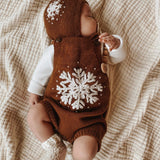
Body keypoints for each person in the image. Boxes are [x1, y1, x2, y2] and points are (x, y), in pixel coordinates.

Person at [27, 0, 126, 159]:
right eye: (88, 16)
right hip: (56, 109)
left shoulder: (99, 45)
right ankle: (55, 147)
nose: (95, 19)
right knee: (34, 115)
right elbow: (41, 71)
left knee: (86, 152)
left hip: (88, 120)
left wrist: (115, 44)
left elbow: (117, 58)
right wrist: (34, 91)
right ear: (70, 24)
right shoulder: (56, 49)